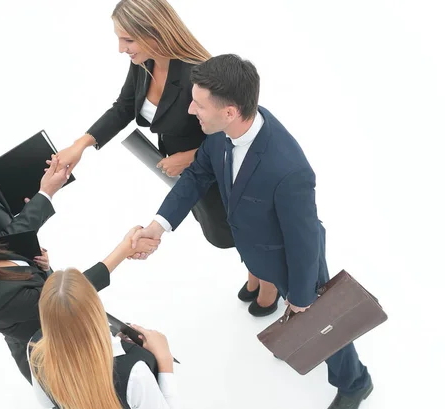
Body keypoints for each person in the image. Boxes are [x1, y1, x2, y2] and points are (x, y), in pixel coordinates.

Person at [131, 54, 373, 408]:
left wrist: (304, 296)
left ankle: (355, 382)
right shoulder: (221, 132)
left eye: (198, 105)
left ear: (229, 111)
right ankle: (292, 335)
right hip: (259, 250)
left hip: (291, 259)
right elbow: (198, 175)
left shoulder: (290, 171)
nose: (190, 111)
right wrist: (159, 225)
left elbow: (302, 241)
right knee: (300, 316)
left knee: (325, 321)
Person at [55, 0, 235, 251]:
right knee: (219, 228)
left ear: (154, 32)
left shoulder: (200, 74)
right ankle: (257, 278)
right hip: (187, 175)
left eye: (128, 40)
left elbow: (234, 135)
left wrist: (188, 158)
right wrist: (81, 145)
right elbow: (124, 107)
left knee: (236, 230)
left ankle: (264, 282)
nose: (120, 49)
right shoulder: (144, 62)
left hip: (217, 171)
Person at [0, 199, 160, 383]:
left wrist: (43, 269)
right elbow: (68, 296)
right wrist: (124, 250)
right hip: (60, 361)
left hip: (65, 329)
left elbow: (41, 287)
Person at [29, 268, 179, 409]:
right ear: (96, 308)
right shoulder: (135, 373)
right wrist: (165, 363)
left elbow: (49, 405)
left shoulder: (35, 351)